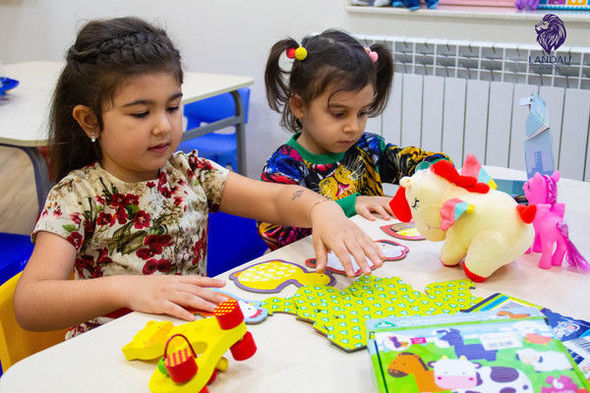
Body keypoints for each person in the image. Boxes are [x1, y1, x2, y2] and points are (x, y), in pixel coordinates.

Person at [14, 18, 384, 338]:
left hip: (186, 337)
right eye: (141, 113)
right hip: (109, 350)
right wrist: (129, 289)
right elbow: (31, 303)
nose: (164, 125)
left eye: (173, 107)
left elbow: (273, 200)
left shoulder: (190, 173)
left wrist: (323, 210)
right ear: (90, 121)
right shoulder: (77, 196)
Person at [257, 30, 449, 250]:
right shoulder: (284, 165)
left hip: (366, 263)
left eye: (362, 113)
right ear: (299, 106)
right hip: (308, 271)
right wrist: (349, 205)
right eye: (339, 114)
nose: (353, 127)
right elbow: (274, 232)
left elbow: (420, 162)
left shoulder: (368, 148)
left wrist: (436, 173)